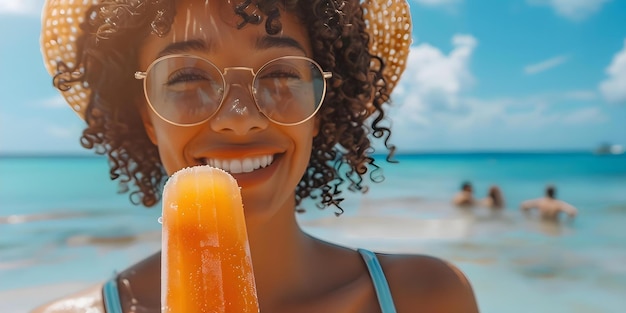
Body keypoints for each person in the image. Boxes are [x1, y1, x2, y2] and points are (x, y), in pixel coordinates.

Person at [33, 0, 478, 312]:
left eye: (282, 74)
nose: (240, 119)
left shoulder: (426, 297)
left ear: (320, 113)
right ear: (146, 118)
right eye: (186, 77)